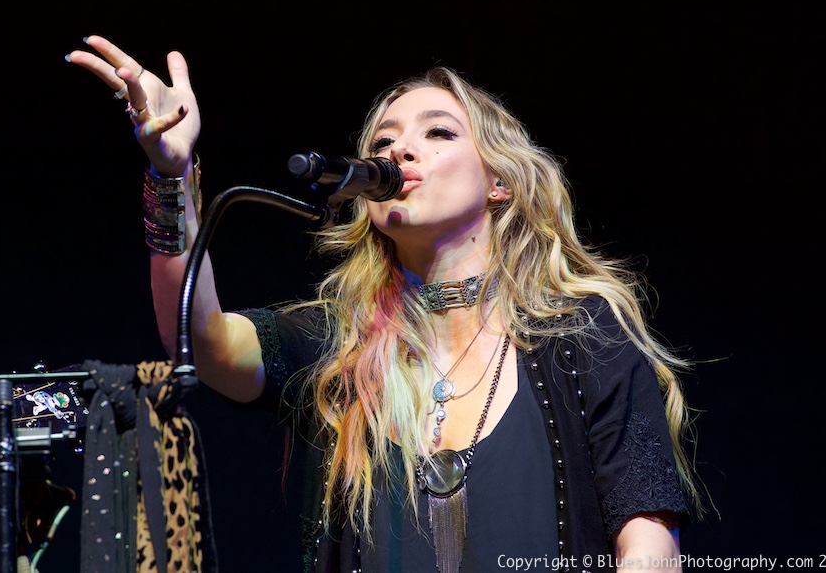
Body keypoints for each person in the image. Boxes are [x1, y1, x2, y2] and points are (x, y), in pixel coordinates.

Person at [67, 35, 701, 573]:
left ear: (500, 182)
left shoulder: (583, 334)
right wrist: (170, 176)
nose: (398, 151)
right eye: (386, 139)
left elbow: (646, 540)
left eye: (438, 133)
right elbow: (202, 345)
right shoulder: (339, 342)